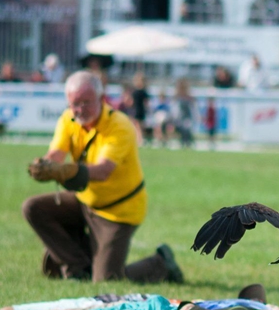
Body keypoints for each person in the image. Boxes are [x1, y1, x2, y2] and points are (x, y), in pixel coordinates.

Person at [22, 71, 182, 284]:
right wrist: (46, 164)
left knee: (106, 281)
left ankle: (161, 264)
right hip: (86, 201)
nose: (79, 110)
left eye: (86, 103)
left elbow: (103, 170)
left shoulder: (120, 126)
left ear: (102, 99)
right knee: (33, 208)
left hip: (118, 211)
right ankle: (77, 266)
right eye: (74, 103)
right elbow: (56, 154)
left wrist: (67, 171)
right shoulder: (68, 119)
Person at [172, 78, 196, 148]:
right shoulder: (177, 97)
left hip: (187, 118)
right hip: (179, 119)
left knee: (186, 128)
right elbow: (174, 110)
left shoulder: (189, 98)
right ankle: (184, 142)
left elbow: (193, 109)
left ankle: (187, 142)